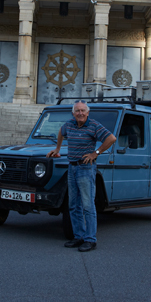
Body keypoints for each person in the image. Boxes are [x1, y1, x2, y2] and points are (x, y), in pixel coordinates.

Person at [47, 101, 116, 252]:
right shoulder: (70, 124)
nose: (80, 113)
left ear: (88, 112)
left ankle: (90, 239)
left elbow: (111, 138)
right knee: (73, 205)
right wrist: (57, 148)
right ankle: (78, 236)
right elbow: (61, 131)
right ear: (73, 113)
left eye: (83, 110)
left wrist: (95, 153)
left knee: (88, 205)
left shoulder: (94, 125)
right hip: (72, 167)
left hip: (86, 168)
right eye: (77, 111)